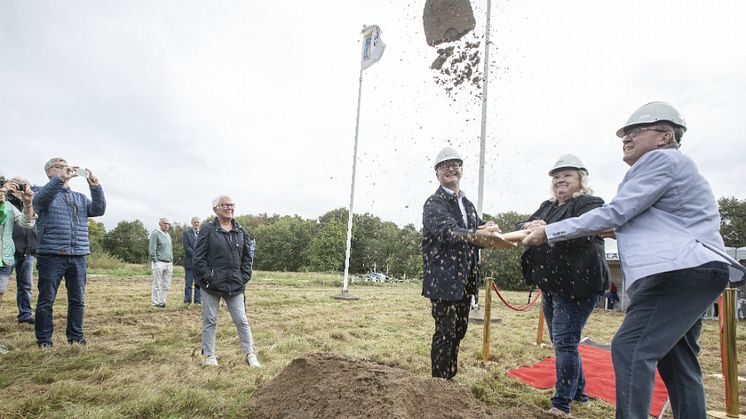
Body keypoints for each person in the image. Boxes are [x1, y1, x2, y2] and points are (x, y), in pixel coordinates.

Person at [523, 102, 746, 419]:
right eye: (624, 134)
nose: (625, 138)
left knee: (630, 348)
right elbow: (636, 222)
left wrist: (551, 232)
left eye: (634, 132)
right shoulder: (670, 167)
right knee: (677, 360)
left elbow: (617, 212)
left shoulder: (660, 161)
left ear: (664, 137)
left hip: (677, 272)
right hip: (694, 269)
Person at [518, 154, 609, 415]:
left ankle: (562, 404)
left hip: (578, 285)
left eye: (567, 175)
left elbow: (580, 230)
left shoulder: (590, 204)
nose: (560, 180)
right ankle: (578, 392)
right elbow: (524, 224)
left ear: (580, 179)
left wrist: (547, 228)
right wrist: (530, 224)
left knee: (566, 342)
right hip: (552, 284)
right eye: (556, 176)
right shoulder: (547, 206)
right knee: (561, 341)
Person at [422, 146, 499, 379]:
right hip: (444, 279)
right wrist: (479, 231)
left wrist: (489, 226)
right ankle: (439, 382)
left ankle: (449, 378)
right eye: (444, 166)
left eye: (455, 164)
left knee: (459, 330)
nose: (450, 168)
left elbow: (475, 229)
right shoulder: (434, 203)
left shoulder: (467, 205)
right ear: (437, 174)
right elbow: (449, 231)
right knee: (445, 331)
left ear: (461, 170)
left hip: (465, 279)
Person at [33, 158, 106, 347]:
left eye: (67, 165)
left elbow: (99, 209)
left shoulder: (80, 197)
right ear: (50, 172)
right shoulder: (40, 192)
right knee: (46, 300)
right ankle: (44, 341)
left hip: (78, 255)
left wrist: (96, 187)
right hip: (51, 254)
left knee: (77, 300)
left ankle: (75, 337)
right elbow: (40, 202)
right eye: (59, 166)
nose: (66, 169)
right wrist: (58, 181)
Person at [193, 195, 260, 368]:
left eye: (231, 205)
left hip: (235, 284)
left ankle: (250, 354)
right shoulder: (208, 229)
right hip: (212, 286)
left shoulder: (240, 230)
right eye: (225, 205)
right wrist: (210, 277)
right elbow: (198, 258)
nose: (229, 208)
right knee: (210, 320)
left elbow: (247, 257)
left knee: (241, 320)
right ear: (215, 209)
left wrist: (243, 277)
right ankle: (209, 355)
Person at [0, 177, 36, 311]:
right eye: (17, 184)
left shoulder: (13, 206)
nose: (20, 187)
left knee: (2, 290)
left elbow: (27, 223)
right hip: (8, 252)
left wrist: (28, 204)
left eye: (24, 185)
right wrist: (4, 190)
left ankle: (25, 314)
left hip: (14, 254)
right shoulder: (7, 200)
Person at [149, 218, 174, 308]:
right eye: (165, 223)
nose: (167, 225)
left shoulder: (168, 235)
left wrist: (171, 261)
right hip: (159, 262)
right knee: (157, 284)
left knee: (166, 285)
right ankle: (155, 303)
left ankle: (162, 302)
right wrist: (155, 261)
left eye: (168, 224)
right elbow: (152, 249)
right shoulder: (155, 234)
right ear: (160, 224)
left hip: (169, 263)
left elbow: (170, 249)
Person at [182, 216, 201, 305]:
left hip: (199, 264)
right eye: (195, 222)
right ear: (192, 223)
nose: (196, 224)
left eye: (198, 222)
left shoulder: (202, 234)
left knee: (198, 284)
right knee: (188, 283)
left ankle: (197, 301)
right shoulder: (186, 233)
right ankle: (187, 301)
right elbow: (187, 247)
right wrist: (196, 256)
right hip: (190, 263)